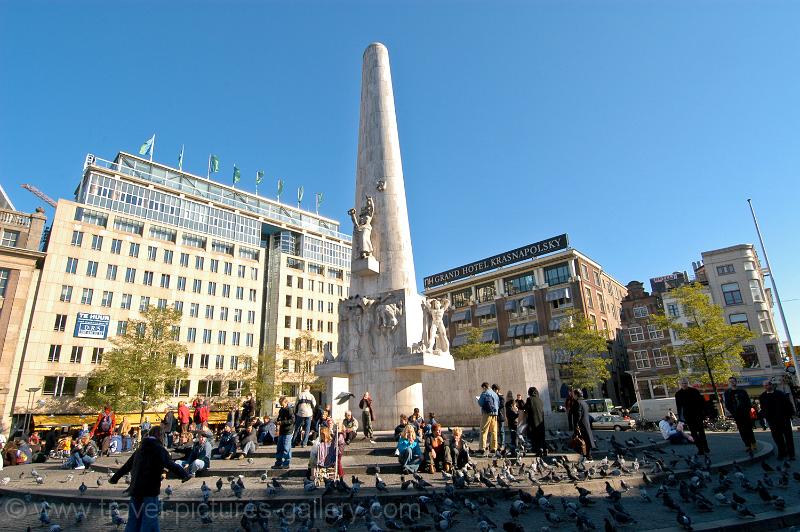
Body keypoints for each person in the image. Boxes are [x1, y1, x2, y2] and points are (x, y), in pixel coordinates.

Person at [759, 379, 796, 460]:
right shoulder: (762, 396)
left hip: (784, 419)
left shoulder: (780, 394)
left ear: (771, 385)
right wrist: (766, 416)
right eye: (765, 385)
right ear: (764, 387)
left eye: (768, 384)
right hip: (773, 421)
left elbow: (788, 404)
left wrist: (790, 415)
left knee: (788, 437)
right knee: (777, 438)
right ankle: (782, 453)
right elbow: (763, 408)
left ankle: (791, 454)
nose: (767, 386)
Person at [675, 377, 710, 455]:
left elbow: (702, 402)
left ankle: (705, 446)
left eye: (685, 383)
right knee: (693, 433)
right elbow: (679, 406)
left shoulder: (694, 391)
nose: (684, 385)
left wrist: (704, 413)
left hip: (697, 414)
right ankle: (700, 449)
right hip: (688, 415)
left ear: (688, 383)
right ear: (680, 384)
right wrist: (680, 418)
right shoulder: (678, 394)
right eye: (682, 383)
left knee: (701, 432)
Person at [723, 376, 757, 452]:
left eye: (733, 381)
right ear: (729, 383)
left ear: (736, 382)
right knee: (742, 430)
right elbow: (727, 404)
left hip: (745, 413)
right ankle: (747, 445)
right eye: (730, 381)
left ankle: (753, 442)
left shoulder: (742, 391)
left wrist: (747, 410)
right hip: (737, 414)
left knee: (748, 429)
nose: (732, 382)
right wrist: (733, 412)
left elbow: (747, 401)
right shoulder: (727, 392)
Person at [476, 382, 499, 456]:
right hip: (495, 414)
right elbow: (498, 403)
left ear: (484, 387)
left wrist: (478, 399)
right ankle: (494, 448)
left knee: (484, 430)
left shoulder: (485, 393)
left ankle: (482, 448)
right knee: (494, 431)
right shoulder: (495, 393)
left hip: (487, 413)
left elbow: (480, 403)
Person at [273, 396, 295, 469]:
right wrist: (277, 422)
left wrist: (282, 422)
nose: (281, 405)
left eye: (281, 403)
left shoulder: (289, 410)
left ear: (286, 402)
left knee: (286, 447)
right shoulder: (281, 410)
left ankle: (286, 462)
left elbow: (292, 420)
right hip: (282, 431)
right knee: (279, 447)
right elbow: (279, 418)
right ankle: (278, 462)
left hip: (288, 431)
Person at [573, 389, 596, 459]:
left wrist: (576, 424)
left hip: (581, 424)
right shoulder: (584, 402)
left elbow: (578, 414)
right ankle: (588, 455)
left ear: (576, 395)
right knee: (587, 439)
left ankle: (585, 455)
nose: (573, 396)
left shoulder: (578, 402)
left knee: (581, 440)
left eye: (573, 394)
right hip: (586, 423)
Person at [526, 387, 546, 456]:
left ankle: (538, 451)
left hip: (533, 421)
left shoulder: (529, 399)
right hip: (541, 421)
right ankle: (544, 450)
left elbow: (527, 408)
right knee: (541, 437)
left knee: (535, 437)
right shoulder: (540, 400)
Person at [492, 384, 506, 451]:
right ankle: (497, 444)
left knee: (501, 430)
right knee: (495, 431)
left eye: (496, 389)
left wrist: (495, 405)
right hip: (494, 415)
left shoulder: (501, 396)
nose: (495, 391)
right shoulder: (493, 396)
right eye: (494, 389)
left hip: (500, 416)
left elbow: (502, 405)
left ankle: (502, 444)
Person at [505, 391, 519, 455]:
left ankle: (514, 450)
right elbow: (514, 415)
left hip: (512, 424)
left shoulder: (509, 407)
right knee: (513, 437)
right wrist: (518, 412)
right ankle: (514, 450)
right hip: (513, 424)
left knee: (514, 437)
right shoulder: (509, 408)